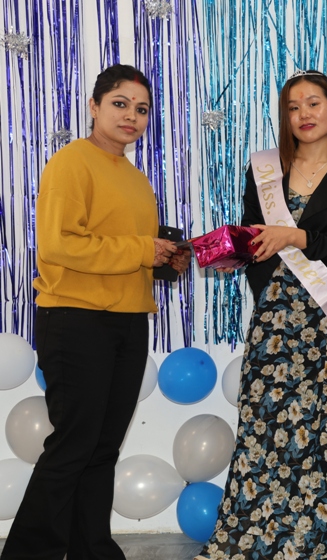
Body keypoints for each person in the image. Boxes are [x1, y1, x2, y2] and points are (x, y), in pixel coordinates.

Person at [0, 64, 187, 560]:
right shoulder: (70, 163)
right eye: (120, 104)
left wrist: (165, 261)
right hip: (75, 319)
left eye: (141, 109)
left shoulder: (137, 180)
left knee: (102, 450)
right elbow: (59, 245)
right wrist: (142, 249)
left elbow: (124, 252)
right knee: (73, 446)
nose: (131, 116)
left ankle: (93, 551)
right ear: (94, 106)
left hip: (128, 321)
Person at [195, 70, 327, 560]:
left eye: (313, 103)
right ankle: (259, 533)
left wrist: (294, 236)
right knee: (265, 421)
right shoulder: (264, 170)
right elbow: (254, 238)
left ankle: (324, 535)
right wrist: (233, 250)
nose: (304, 114)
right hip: (275, 313)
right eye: (293, 107)